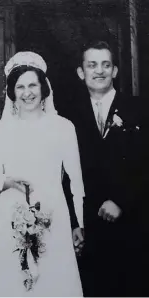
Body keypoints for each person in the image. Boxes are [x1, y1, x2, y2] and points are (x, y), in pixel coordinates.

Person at [0, 51, 85, 296]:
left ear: (43, 88)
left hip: (54, 217)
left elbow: (76, 182)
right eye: (20, 87)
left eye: (32, 85)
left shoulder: (63, 127)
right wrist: (7, 182)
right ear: (12, 92)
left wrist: (78, 224)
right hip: (11, 215)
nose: (27, 93)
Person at [62, 40, 145, 297]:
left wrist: (121, 201)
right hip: (87, 228)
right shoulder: (66, 116)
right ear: (81, 72)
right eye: (92, 65)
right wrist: (74, 223)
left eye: (106, 65)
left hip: (131, 223)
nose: (99, 71)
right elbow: (61, 173)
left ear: (115, 71)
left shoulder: (139, 109)